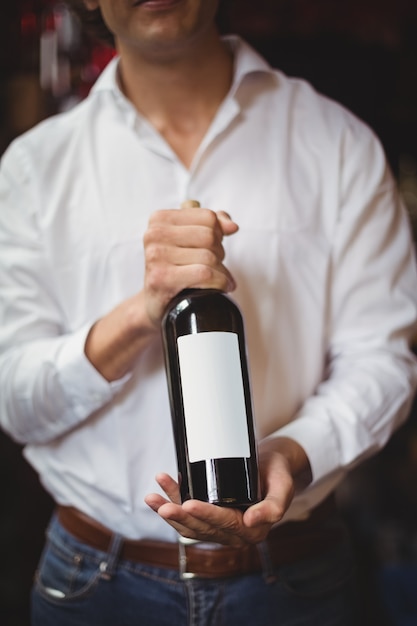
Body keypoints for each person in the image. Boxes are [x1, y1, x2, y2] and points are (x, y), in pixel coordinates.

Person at [1, 1, 417, 624]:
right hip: (93, 584)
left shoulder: (338, 142)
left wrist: (294, 453)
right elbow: (15, 401)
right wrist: (143, 313)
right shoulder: (33, 169)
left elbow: (384, 361)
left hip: (296, 578)